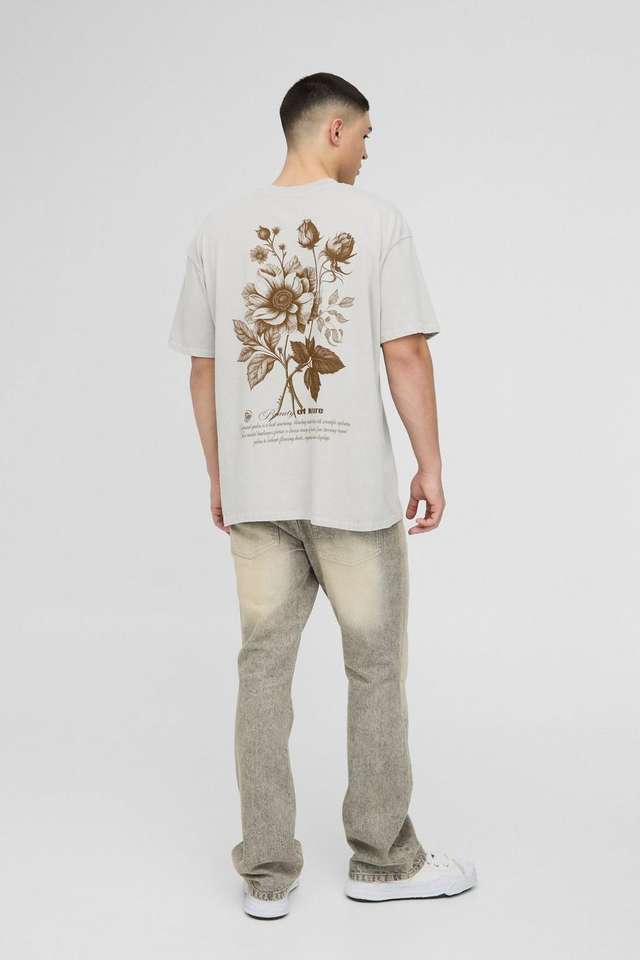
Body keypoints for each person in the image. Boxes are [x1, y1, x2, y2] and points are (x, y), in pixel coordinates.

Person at [168, 72, 477, 920]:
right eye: (366, 134)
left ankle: (266, 876)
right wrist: (430, 464)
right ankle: (383, 860)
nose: (369, 151)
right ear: (334, 129)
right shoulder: (378, 221)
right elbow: (405, 351)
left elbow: (204, 369)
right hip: (352, 495)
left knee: (262, 671)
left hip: (258, 493)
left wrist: (221, 473)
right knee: (374, 668)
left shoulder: (218, 229)